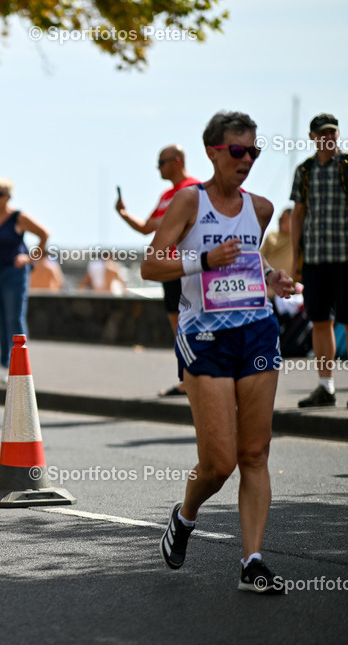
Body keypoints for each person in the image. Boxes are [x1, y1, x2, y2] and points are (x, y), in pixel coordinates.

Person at [143, 111, 295, 593]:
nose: (247, 159)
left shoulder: (262, 208)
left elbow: (253, 259)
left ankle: (252, 561)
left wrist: (274, 279)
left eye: (254, 151)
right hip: (204, 335)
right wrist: (203, 259)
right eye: (238, 150)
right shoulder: (192, 200)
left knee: (255, 452)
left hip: (256, 330)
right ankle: (185, 515)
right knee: (219, 463)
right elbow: (151, 264)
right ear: (213, 151)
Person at [117, 145, 201, 396]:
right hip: (169, 268)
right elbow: (146, 226)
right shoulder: (167, 195)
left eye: (161, 163)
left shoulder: (195, 188)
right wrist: (123, 213)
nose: (158, 168)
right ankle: (188, 378)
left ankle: (200, 378)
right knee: (178, 324)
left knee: (195, 323)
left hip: (190, 267)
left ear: (176, 162)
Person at [291, 114, 348, 408]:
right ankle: (325, 386)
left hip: (345, 257)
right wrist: (295, 259)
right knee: (320, 321)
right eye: (322, 133)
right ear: (313, 137)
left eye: (332, 132)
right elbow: (298, 214)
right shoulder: (306, 170)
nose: (328, 137)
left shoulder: (347, 166)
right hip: (315, 259)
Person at [0, 179, 49, 385]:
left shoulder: (19, 217)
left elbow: (44, 235)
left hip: (13, 274)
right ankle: (2, 365)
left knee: (14, 320)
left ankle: (20, 369)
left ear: (8, 196)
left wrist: (30, 258)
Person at [261, 208, 294, 299]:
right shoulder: (271, 236)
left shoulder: (296, 240)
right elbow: (259, 257)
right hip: (268, 289)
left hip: (288, 291)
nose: (280, 221)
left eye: (284, 219)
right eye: (280, 218)